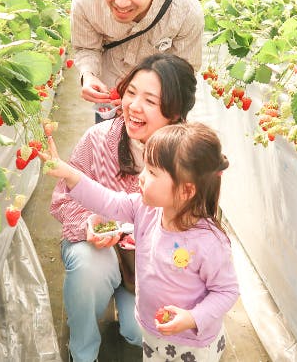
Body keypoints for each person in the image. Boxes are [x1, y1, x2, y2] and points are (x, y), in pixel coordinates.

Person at [42, 121, 239, 362]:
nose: (141, 178)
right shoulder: (144, 209)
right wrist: (68, 173)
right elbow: (107, 201)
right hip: (152, 333)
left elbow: (226, 291)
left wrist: (192, 318)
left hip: (193, 345)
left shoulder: (209, 242)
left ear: (187, 191)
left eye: (153, 172)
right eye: (145, 168)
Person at [50, 53, 198, 362]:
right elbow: (63, 199)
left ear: (175, 113)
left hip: (149, 264)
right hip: (98, 249)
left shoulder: (190, 158)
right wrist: (89, 222)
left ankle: (126, 303)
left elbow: (197, 231)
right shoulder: (99, 139)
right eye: (130, 92)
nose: (133, 106)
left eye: (150, 100)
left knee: (139, 332)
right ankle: (83, 349)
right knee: (89, 266)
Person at [70, 0, 204, 119]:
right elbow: (86, 47)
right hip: (110, 97)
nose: (122, 1)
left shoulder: (185, 9)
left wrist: (152, 102)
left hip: (156, 106)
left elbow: (184, 72)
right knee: (106, 145)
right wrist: (89, 74)